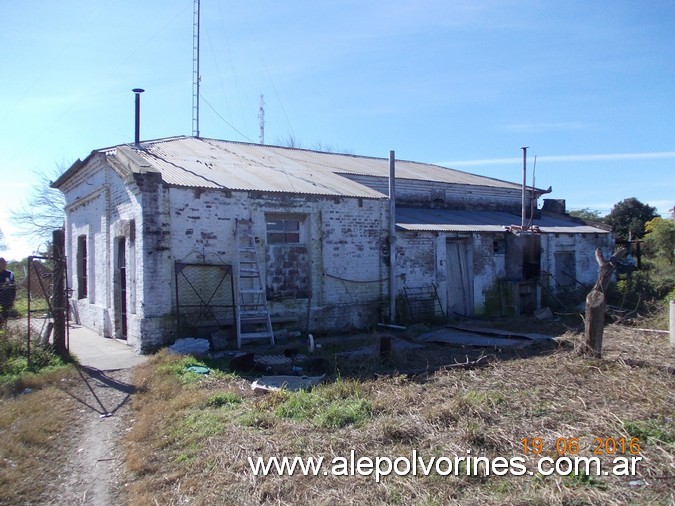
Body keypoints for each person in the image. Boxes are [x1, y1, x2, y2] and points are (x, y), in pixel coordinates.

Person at [0, 257, 16, 326]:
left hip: (6, 299)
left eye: (3, 263)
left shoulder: (10, 274)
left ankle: (3, 328)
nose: (2, 265)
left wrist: (12, 300)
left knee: (4, 316)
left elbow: (12, 287)